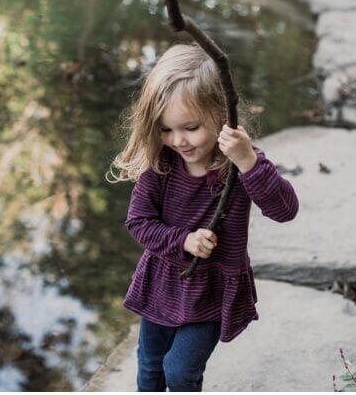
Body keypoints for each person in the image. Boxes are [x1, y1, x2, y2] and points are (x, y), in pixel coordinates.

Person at [108, 44, 298, 391]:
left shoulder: (240, 165)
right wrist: (183, 240)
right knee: (150, 366)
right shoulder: (160, 167)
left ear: (221, 115)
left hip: (210, 290)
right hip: (162, 284)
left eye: (190, 127)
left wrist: (248, 163)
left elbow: (284, 210)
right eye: (165, 130)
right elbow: (138, 221)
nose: (178, 140)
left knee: (180, 371)